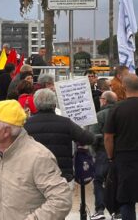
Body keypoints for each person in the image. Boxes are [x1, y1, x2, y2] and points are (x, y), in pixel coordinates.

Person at [24, 88, 94, 183]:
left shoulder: (26, 124)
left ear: (36, 104)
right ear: (54, 104)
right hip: (61, 175)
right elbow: (88, 138)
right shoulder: (66, 123)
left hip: (35, 175)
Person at [104, 74, 138, 220]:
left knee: (126, 198)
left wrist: (111, 157)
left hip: (125, 158)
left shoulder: (117, 108)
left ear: (124, 87)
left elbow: (108, 137)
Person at [88, 91, 117, 220]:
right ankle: (117, 211)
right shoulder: (120, 114)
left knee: (99, 180)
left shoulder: (99, 116)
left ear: (104, 100)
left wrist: (93, 152)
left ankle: (100, 210)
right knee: (116, 181)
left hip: (102, 152)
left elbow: (93, 137)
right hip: (119, 153)